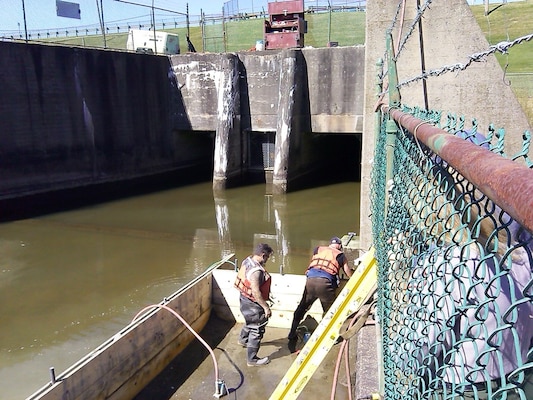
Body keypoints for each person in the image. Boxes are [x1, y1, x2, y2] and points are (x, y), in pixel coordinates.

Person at [287, 236, 353, 341]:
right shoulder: (340, 255)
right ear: (340, 246)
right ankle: (333, 338)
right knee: (330, 311)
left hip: (310, 281)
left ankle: (291, 333)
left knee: (302, 307)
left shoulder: (318, 249)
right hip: (325, 284)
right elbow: (348, 272)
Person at [234, 243, 274, 366]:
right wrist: (265, 307)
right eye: (267, 257)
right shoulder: (256, 272)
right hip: (252, 302)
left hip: (244, 298)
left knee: (250, 321)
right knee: (257, 329)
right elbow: (256, 292)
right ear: (263, 255)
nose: (267, 260)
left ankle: (243, 340)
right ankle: (252, 359)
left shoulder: (247, 261)